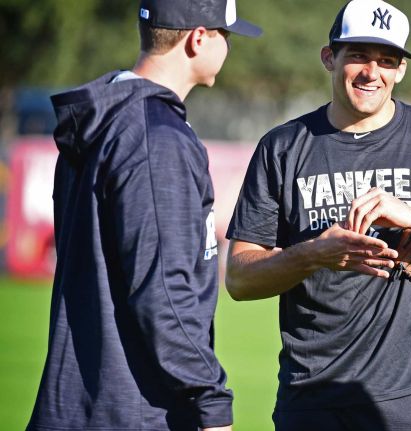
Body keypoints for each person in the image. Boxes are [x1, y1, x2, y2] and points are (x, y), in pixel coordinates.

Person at [224, 1, 411, 430]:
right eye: (358, 55)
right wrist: (313, 254)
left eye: (387, 60)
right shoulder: (283, 148)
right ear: (330, 57)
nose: (372, 72)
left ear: (401, 70)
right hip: (314, 392)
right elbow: (238, 278)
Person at [27, 1, 261, 430]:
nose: (229, 47)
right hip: (135, 409)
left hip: (87, 403)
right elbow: (163, 291)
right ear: (198, 39)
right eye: (225, 35)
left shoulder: (107, 122)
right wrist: (210, 405)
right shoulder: (156, 138)